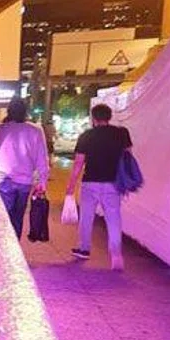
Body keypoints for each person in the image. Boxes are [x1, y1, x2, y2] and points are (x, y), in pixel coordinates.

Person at [66, 103, 132, 271]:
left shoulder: (87, 136)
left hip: (91, 182)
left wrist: (71, 187)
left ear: (93, 118)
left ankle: (84, 249)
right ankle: (116, 254)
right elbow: (128, 156)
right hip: (112, 183)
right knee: (114, 219)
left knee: (86, 217)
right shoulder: (121, 134)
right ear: (109, 117)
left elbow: (78, 164)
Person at [0, 98, 50, 240]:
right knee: (18, 217)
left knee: (3, 218)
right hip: (24, 182)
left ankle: (3, 249)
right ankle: (14, 251)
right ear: (25, 112)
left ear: (9, 111)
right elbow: (42, 159)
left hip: (3, 180)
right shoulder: (35, 131)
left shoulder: (0, 130)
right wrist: (42, 182)